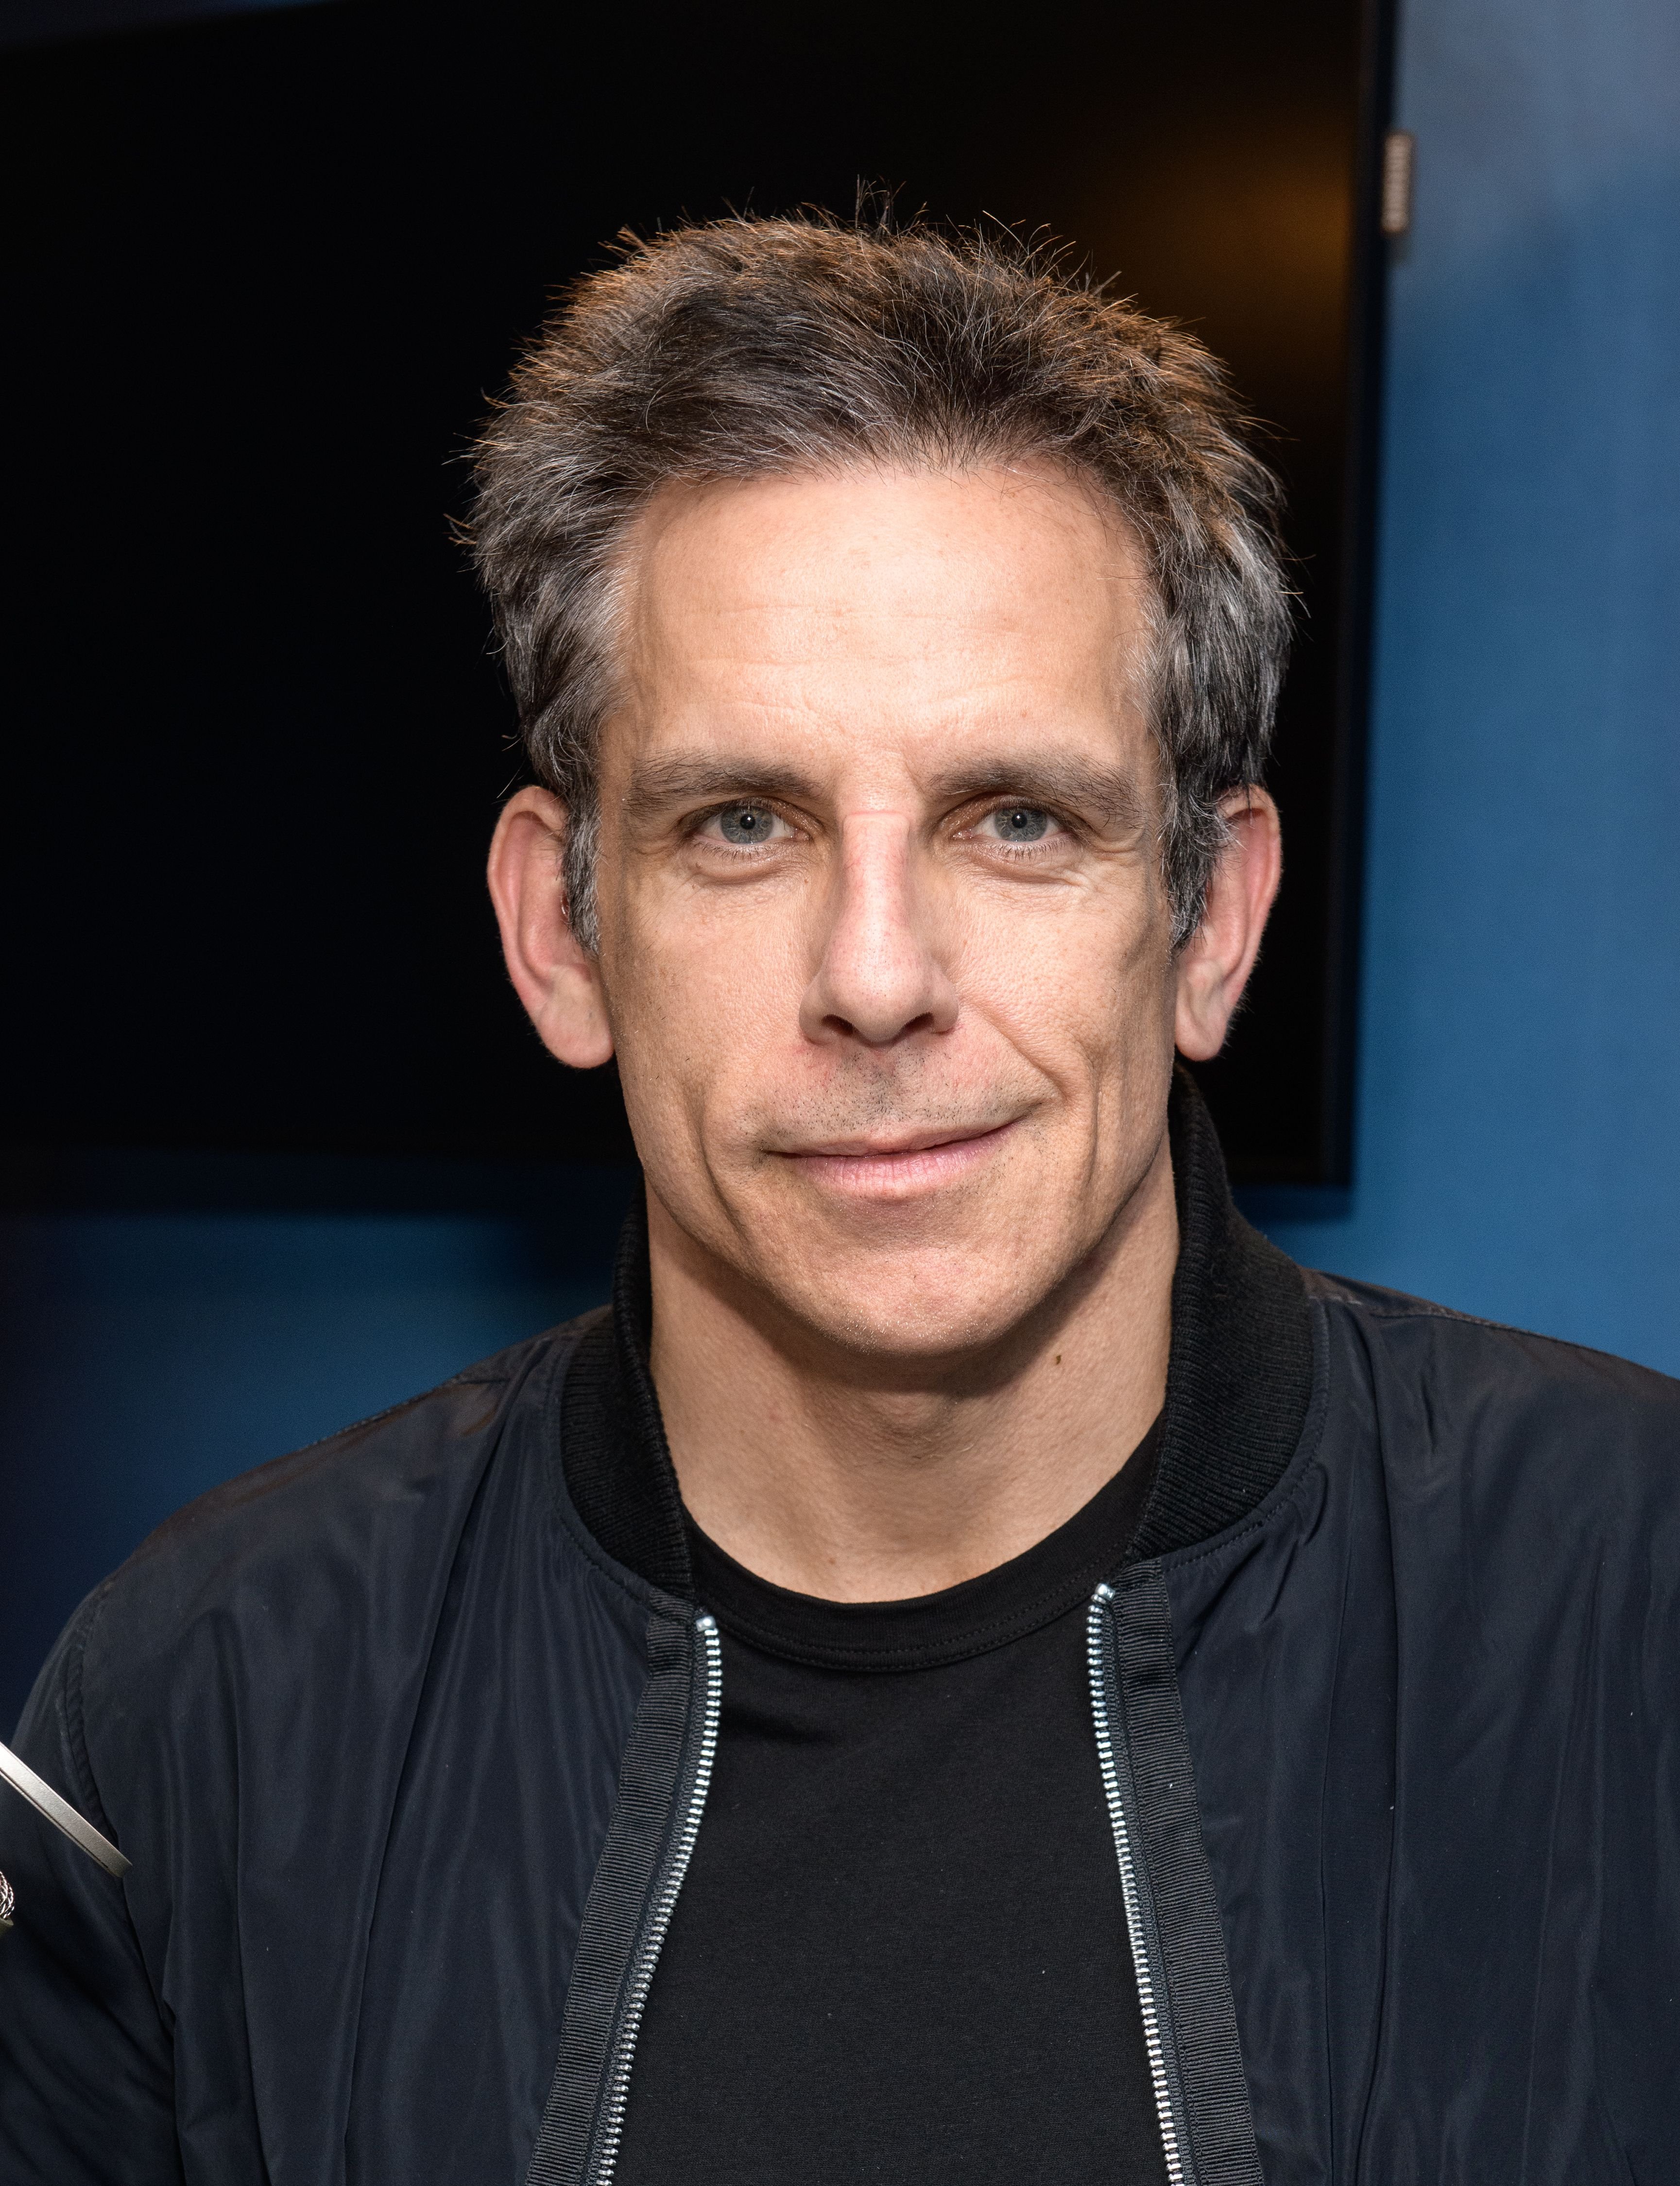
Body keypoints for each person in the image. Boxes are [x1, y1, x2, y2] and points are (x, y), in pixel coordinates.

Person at [1, 214, 1676, 2186]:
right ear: (561, 931)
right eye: (741, 824)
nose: (875, 975)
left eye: (1016, 820)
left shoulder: (1628, 1610)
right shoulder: (191, 1709)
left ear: (1211, 918)